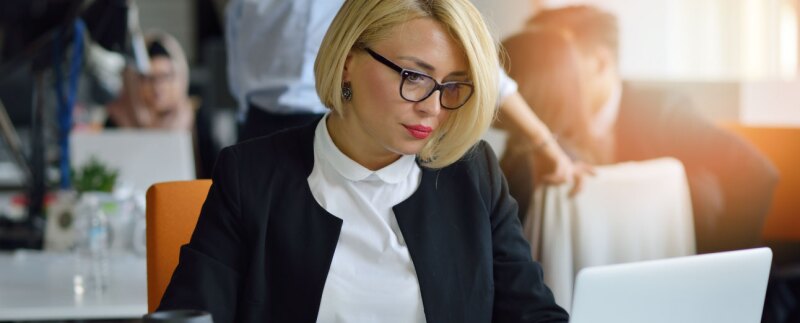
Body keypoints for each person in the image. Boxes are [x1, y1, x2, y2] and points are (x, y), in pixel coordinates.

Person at [157, 0, 569, 322]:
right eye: (414, 76)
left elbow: (532, 312)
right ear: (348, 62)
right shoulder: (251, 175)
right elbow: (193, 313)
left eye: (452, 85)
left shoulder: (471, 171)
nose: (433, 107)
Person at [225, 0, 589, 194]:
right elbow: (237, 37)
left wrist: (545, 144)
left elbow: (472, 60)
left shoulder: (478, 177)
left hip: (355, 116)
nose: (434, 107)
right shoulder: (242, 169)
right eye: (415, 76)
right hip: (263, 123)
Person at [501, 5, 779, 254]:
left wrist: (718, 264)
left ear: (600, 63)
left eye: (553, 57)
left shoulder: (662, 113)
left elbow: (755, 171)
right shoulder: (541, 137)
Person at [105, 32, 219, 178]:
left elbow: (213, 174)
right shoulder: (117, 119)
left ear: (179, 77)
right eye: (148, 78)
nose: (158, 87)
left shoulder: (194, 118)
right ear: (133, 81)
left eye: (166, 77)